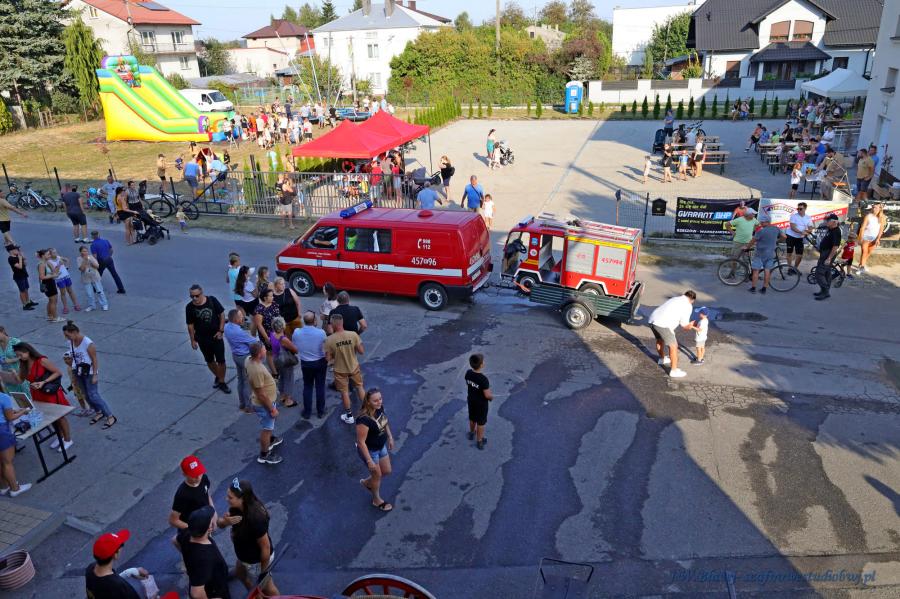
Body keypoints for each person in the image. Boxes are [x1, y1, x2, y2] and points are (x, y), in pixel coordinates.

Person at [217, 479, 278, 595]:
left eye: (230, 497)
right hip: (244, 557)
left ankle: (259, 593)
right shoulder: (236, 508)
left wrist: (263, 573)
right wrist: (225, 522)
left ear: (242, 499)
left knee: (268, 588)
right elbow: (219, 524)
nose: (226, 499)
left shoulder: (256, 519)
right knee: (240, 573)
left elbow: (265, 547)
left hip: (256, 562)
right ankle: (253, 593)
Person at [11, 342, 75, 447]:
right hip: (37, 394)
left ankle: (68, 439)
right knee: (50, 417)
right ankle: (60, 437)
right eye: (17, 355)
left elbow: (58, 373)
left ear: (27, 351)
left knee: (59, 416)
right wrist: (14, 374)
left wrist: (43, 382)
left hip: (50, 393)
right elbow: (20, 380)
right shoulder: (23, 365)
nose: (19, 357)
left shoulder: (41, 361)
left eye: (20, 355)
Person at [62, 321, 115, 429]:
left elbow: (94, 359)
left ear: (75, 332)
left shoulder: (88, 343)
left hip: (89, 372)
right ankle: (98, 412)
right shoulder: (70, 342)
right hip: (78, 371)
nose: (66, 338)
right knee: (86, 395)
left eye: (68, 335)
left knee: (93, 395)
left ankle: (110, 416)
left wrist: (95, 375)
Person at [178, 506, 231, 599]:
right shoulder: (205, 557)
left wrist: (188, 560)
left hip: (213, 577)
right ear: (209, 528)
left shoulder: (186, 533)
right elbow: (196, 593)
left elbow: (174, 540)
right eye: (211, 520)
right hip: (213, 590)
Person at [185, 285, 230, 393]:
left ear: (202, 293)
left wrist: (221, 331)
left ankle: (222, 382)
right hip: (202, 338)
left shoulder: (212, 300)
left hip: (216, 336)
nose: (194, 298)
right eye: (192, 296)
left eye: (197, 296)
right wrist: (192, 340)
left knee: (221, 360)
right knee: (209, 360)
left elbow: (222, 315)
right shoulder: (189, 307)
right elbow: (190, 325)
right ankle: (219, 377)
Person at [356, 388, 394, 512]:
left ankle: (367, 482)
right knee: (377, 476)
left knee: (386, 471)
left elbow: (384, 423)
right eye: (375, 400)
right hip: (371, 451)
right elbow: (361, 442)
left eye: (380, 399)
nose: (379, 402)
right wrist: (369, 461)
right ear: (368, 402)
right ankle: (376, 500)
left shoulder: (379, 409)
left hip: (381, 447)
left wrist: (390, 437)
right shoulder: (363, 420)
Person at [85, 529, 151, 599]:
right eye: (120, 547)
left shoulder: (90, 569)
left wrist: (130, 572)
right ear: (115, 555)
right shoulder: (121, 587)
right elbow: (112, 583)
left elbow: (107, 582)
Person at [324, 313, 365, 425]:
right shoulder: (353, 335)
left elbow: (328, 358)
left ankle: (349, 415)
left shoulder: (329, 340)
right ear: (342, 323)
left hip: (340, 370)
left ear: (332, 325)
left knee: (344, 392)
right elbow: (361, 351)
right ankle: (367, 410)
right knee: (360, 387)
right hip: (354, 366)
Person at [246, 342, 283, 465]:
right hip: (264, 405)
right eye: (264, 350)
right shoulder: (256, 370)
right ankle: (264, 454)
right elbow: (261, 394)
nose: (266, 351)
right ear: (259, 354)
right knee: (267, 429)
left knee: (269, 426)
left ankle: (271, 440)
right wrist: (272, 409)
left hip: (266, 403)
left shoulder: (249, 359)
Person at [647, 290, 697, 378]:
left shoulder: (675, 298)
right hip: (663, 324)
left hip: (652, 320)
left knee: (659, 340)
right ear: (692, 300)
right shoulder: (688, 306)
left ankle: (662, 359)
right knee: (673, 346)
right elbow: (685, 326)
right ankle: (674, 371)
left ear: (684, 295)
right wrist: (691, 325)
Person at [0, 382, 32, 497]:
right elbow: (10, 417)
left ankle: (3, 487)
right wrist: (23, 411)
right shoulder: (4, 397)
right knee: (7, 462)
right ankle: (15, 489)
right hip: (2, 431)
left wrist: (13, 411)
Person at [169, 455, 214, 537]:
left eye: (199, 472)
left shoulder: (204, 478)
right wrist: (196, 529)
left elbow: (207, 494)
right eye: (194, 475)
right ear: (184, 474)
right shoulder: (182, 494)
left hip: (205, 522)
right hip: (192, 530)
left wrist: (213, 513)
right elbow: (173, 520)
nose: (198, 477)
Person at [293, 311, 327, 419]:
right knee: (320, 386)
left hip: (306, 363)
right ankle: (320, 411)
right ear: (315, 320)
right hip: (320, 362)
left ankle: (307, 412)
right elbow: (325, 346)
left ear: (304, 321)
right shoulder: (321, 332)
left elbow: (295, 344)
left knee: (308, 386)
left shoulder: (297, 332)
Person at [223, 308, 257, 413]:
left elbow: (244, 326)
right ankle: (249, 406)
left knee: (241, 380)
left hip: (236, 355)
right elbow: (254, 342)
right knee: (247, 382)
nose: (243, 318)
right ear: (236, 319)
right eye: (241, 317)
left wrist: (252, 325)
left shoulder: (227, 326)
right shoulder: (239, 332)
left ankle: (242, 403)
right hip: (244, 357)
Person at [747, 212, 786, 294]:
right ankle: (764, 289)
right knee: (767, 270)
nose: (761, 223)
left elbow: (753, 240)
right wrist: (777, 241)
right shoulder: (776, 229)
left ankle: (753, 288)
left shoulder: (761, 231)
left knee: (756, 270)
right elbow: (784, 237)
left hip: (760, 253)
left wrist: (747, 247)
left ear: (767, 222)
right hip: (771, 253)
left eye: (762, 222)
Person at [465, 353, 493, 450]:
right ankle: (479, 440)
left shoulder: (468, 373)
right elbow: (487, 395)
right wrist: (491, 398)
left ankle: (472, 433)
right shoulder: (483, 379)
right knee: (481, 422)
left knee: (472, 418)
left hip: (471, 400)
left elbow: (469, 384)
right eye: (483, 361)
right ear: (481, 365)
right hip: (481, 404)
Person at [269, 317, 299, 409]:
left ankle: (282, 395)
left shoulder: (272, 334)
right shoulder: (283, 339)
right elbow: (296, 350)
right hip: (285, 361)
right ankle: (288, 400)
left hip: (276, 359)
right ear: (283, 327)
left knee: (282, 377)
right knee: (288, 378)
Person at [814, 214, 842, 300]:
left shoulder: (836, 231)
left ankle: (825, 291)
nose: (826, 222)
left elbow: (835, 246)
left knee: (819, 272)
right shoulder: (830, 229)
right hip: (825, 253)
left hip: (828, 254)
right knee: (827, 272)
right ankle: (824, 291)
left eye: (828, 220)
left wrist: (829, 258)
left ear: (834, 222)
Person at [47, 248, 81, 314]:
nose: (56, 253)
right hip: (59, 278)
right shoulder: (49, 262)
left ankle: (76, 304)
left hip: (66, 276)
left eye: (56, 252)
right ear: (50, 254)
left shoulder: (58, 257)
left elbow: (67, 260)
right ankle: (65, 307)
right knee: (63, 293)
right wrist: (59, 264)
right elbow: (54, 272)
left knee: (70, 291)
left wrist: (67, 267)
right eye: (54, 253)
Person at [857, 202, 886, 274]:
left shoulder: (882, 217)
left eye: (875, 207)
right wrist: (860, 238)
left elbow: (881, 230)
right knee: (864, 252)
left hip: (874, 238)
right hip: (865, 237)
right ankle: (861, 267)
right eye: (873, 207)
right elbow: (862, 228)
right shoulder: (868, 216)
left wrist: (878, 239)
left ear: (880, 209)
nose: (874, 209)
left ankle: (861, 265)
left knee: (868, 253)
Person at [77, 246, 108, 312]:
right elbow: (81, 269)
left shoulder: (91, 257)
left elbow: (97, 266)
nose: (85, 253)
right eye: (84, 251)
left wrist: (90, 261)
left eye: (86, 251)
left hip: (95, 277)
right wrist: (84, 261)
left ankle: (104, 304)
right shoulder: (79, 259)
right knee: (89, 293)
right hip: (86, 278)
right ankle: (92, 306)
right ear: (80, 252)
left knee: (100, 291)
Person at [6, 245, 37, 310]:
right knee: (22, 291)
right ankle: (24, 305)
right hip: (18, 277)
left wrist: (23, 258)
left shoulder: (18, 256)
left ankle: (28, 302)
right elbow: (20, 267)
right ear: (11, 251)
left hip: (24, 274)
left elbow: (25, 264)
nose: (17, 251)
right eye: (16, 250)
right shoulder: (11, 259)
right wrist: (20, 258)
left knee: (26, 289)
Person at [785, 202, 813, 272]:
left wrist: (808, 231)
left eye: (801, 209)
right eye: (798, 209)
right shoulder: (794, 216)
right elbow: (792, 227)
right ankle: (789, 268)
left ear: (805, 209)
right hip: (791, 236)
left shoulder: (808, 217)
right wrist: (801, 232)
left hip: (800, 238)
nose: (799, 210)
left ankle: (795, 268)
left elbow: (810, 227)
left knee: (800, 255)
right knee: (789, 253)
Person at [37, 249, 62, 322]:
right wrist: (53, 275)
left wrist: (59, 265)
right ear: (43, 256)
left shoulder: (47, 262)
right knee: (53, 301)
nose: (50, 255)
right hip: (48, 284)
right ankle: (55, 317)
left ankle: (50, 316)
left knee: (51, 301)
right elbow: (42, 277)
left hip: (50, 282)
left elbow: (53, 272)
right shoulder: (42, 264)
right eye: (48, 254)